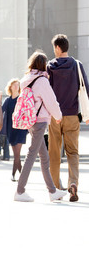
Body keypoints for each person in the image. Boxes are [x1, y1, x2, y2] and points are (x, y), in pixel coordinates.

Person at [14, 51, 67, 202]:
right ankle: (20, 190)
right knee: (32, 154)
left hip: (31, 121)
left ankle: (52, 191)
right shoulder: (42, 81)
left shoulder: (26, 79)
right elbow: (51, 101)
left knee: (44, 157)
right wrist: (58, 116)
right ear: (43, 65)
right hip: (40, 120)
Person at [47, 34, 89, 202]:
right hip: (72, 115)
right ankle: (73, 184)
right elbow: (85, 88)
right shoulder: (77, 65)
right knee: (73, 152)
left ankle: (56, 188)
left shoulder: (50, 66)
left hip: (54, 116)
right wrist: (86, 114)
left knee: (54, 153)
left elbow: (46, 91)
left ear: (58, 47)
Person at [1, 79, 28, 181]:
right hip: (10, 130)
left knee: (17, 154)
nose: (16, 86)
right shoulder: (7, 101)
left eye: (18, 85)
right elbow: (0, 111)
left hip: (21, 129)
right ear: (10, 87)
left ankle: (14, 175)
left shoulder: (22, 99)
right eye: (14, 85)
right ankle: (21, 175)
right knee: (16, 155)